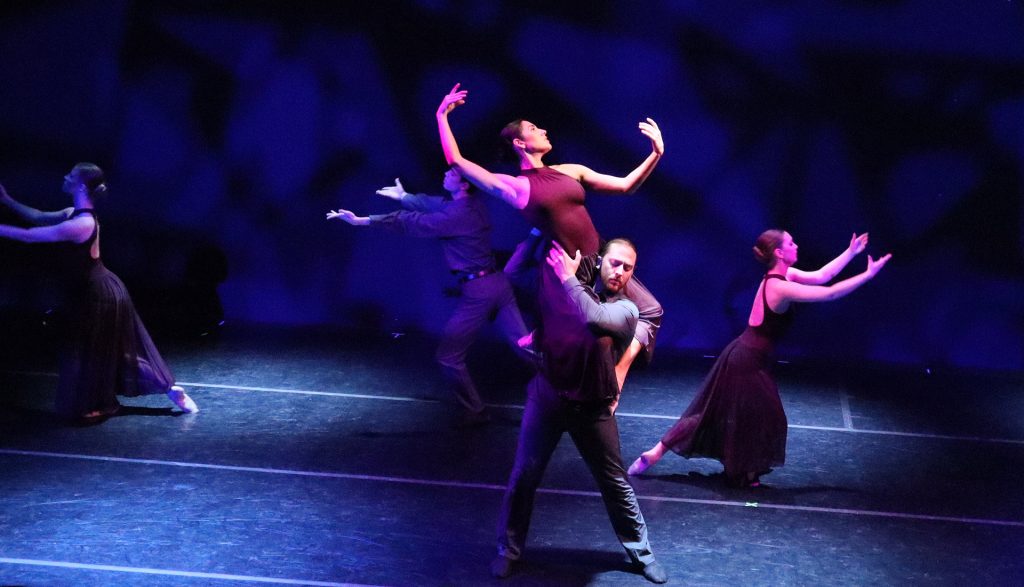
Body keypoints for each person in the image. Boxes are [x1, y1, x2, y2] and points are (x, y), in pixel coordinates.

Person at [436, 83, 664, 389]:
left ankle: (613, 369)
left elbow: (625, 186)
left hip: (601, 259)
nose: (543, 129)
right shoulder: (516, 186)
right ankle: (557, 364)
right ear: (520, 143)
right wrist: (442, 117)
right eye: (533, 128)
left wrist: (656, 154)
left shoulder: (569, 170)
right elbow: (457, 161)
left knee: (650, 310)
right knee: (583, 347)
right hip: (570, 271)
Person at [627, 230, 891, 487]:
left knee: (721, 414)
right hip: (746, 362)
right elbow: (829, 293)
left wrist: (851, 252)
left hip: (746, 355)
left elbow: (823, 276)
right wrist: (867, 275)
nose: (796, 246)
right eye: (791, 243)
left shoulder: (784, 275)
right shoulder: (780, 287)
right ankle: (742, 473)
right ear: (779, 253)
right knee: (761, 418)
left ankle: (660, 453)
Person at [491, 238, 668, 584]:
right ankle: (508, 550)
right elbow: (512, 274)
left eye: (628, 268)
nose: (619, 272)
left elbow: (594, 317)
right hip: (548, 398)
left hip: (592, 407)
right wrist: (536, 234)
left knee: (614, 482)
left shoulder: (627, 310)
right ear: (599, 262)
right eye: (614, 263)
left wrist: (568, 278)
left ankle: (642, 553)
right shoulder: (563, 291)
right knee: (524, 476)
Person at [326, 168, 529, 427]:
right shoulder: (471, 205)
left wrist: (364, 221)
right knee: (525, 346)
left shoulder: (457, 215)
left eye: (452, 173)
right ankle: (568, 390)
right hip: (497, 283)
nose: (445, 174)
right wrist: (405, 196)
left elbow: (415, 222)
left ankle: (476, 411)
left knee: (448, 356)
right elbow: (435, 204)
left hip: (480, 291)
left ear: (464, 185)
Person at [0, 163, 198, 421]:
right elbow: (37, 216)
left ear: (82, 186)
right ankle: (170, 389)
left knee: (107, 353)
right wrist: (7, 200)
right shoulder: (73, 213)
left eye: (71, 175)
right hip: (94, 292)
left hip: (100, 296)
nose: (65, 177)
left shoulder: (81, 224)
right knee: (112, 353)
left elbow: (30, 236)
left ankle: (168, 388)